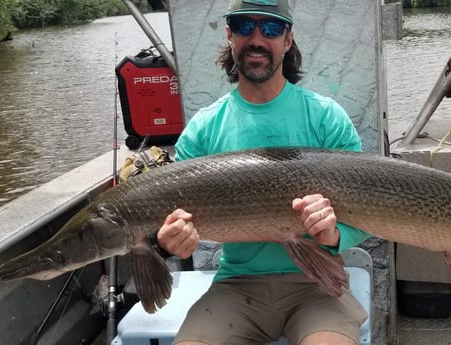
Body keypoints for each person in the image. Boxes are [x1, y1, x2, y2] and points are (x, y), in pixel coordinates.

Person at [154, 0, 372, 344]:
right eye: (244, 26)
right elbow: (170, 220)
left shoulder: (326, 118)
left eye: (270, 28)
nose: (257, 38)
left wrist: (333, 236)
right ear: (230, 35)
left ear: (287, 40)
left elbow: (367, 213)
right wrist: (168, 243)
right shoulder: (203, 129)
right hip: (237, 287)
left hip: (315, 286)